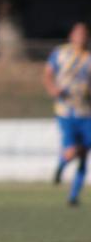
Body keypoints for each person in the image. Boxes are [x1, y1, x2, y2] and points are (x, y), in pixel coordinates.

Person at [43, 21, 91, 206]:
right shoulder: (60, 53)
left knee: (84, 154)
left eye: (84, 34)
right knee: (71, 152)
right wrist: (52, 88)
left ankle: (73, 197)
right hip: (66, 111)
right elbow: (48, 73)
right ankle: (61, 166)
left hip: (86, 112)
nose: (81, 37)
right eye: (78, 33)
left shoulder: (88, 57)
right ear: (72, 35)